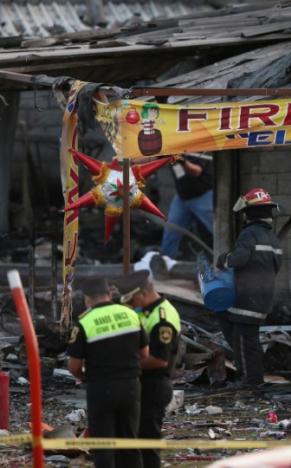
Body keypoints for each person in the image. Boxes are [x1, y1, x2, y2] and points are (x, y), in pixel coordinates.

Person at [67, 277, 148, 468]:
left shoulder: (84, 322)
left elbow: (74, 366)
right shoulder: (130, 314)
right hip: (130, 386)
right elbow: (144, 353)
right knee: (130, 442)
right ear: (109, 294)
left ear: (87, 299)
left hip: (101, 388)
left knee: (103, 446)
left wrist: (84, 377)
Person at [112, 270, 181, 468]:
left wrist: (121, 367)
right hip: (138, 383)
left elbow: (159, 360)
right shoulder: (144, 309)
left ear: (142, 293)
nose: (130, 305)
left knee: (147, 443)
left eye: (132, 300)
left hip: (154, 385)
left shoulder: (162, 318)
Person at [216, 187, 282, 387]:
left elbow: (239, 259)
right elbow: (276, 266)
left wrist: (223, 259)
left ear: (250, 213)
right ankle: (253, 379)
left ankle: (251, 382)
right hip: (263, 296)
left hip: (247, 298)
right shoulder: (273, 238)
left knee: (245, 342)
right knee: (239, 332)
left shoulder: (249, 234)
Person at [160, 153, 213, 259]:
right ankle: (164, 265)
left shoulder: (198, 147)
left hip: (203, 196)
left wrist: (181, 160)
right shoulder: (170, 146)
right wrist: (129, 161)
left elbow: (196, 171)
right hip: (182, 198)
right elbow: (151, 157)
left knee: (218, 230)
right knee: (171, 232)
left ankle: (232, 263)